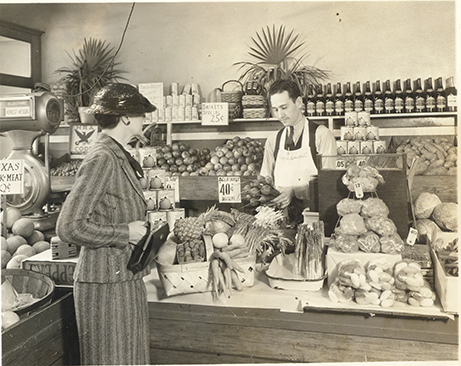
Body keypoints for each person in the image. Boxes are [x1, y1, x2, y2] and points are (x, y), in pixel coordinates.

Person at [56, 83, 156, 365]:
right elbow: (69, 226)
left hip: (120, 280)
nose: (143, 120)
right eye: (140, 114)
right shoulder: (103, 158)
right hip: (105, 287)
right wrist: (127, 232)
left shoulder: (117, 153)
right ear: (125, 117)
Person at [260, 79, 336, 223]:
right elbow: (265, 180)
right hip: (281, 219)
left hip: (315, 217)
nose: (280, 115)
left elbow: (328, 183)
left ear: (299, 103)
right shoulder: (273, 140)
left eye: (284, 107)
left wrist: (294, 191)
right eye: (275, 109)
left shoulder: (321, 135)